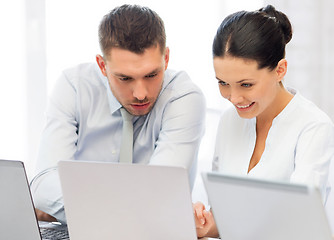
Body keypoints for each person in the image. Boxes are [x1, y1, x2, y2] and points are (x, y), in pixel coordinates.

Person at [31, 4, 206, 224]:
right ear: (102, 66)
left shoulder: (184, 97)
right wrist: (135, 206)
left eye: (152, 74)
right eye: (125, 78)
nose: (141, 94)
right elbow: (43, 185)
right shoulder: (74, 87)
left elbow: (160, 193)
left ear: (166, 58)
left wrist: (70, 207)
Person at [193, 5, 334, 238]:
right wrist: (208, 224)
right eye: (223, 83)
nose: (234, 98)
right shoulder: (229, 121)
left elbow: (302, 228)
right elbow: (228, 220)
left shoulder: (313, 127)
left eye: (246, 84)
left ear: (280, 70)